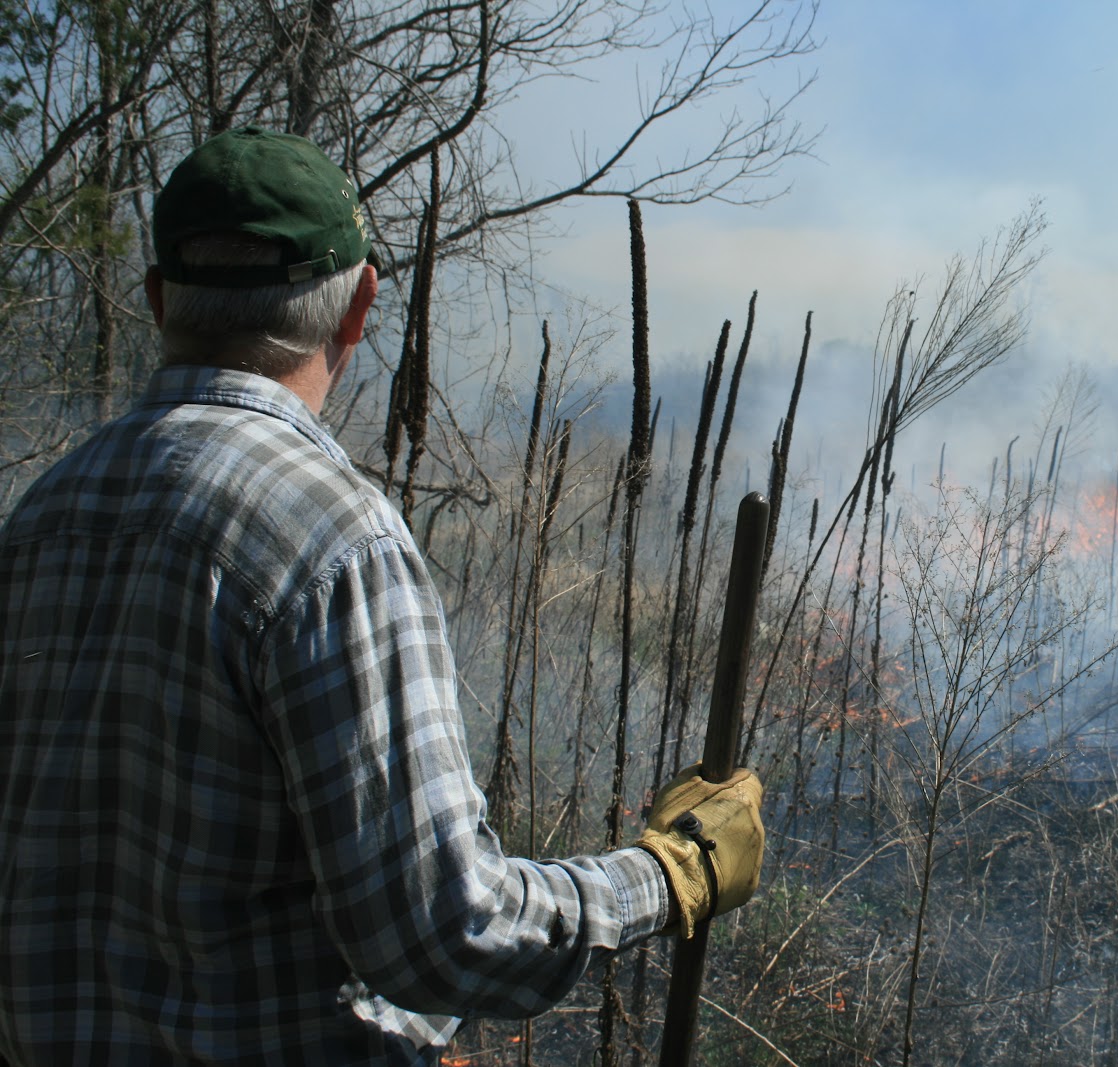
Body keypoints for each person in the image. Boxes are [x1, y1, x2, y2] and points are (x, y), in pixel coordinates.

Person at [0, 126, 764, 1066]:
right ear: (359, 307)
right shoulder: (331, 538)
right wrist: (670, 872)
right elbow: (447, 934)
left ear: (160, 300)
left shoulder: (38, 518)